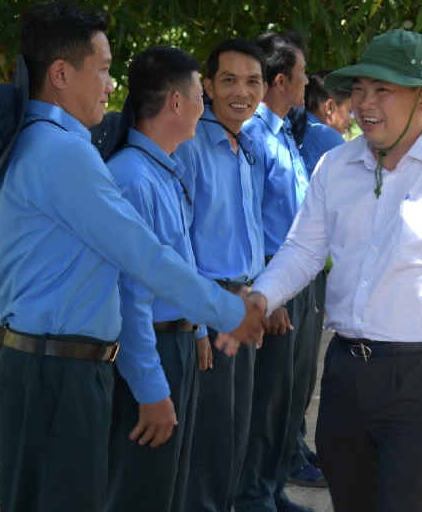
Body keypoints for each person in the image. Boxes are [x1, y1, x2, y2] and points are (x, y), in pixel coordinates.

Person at [0, 0, 266, 512]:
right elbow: (143, 257)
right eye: (105, 70)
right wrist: (228, 311)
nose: (113, 87)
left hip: (49, 363)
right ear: (62, 74)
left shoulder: (39, 140)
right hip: (57, 372)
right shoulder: (63, 151)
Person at [249, 29, 422, 512]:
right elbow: (303, 251)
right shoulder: (335, 165)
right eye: (359, 89)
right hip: (346, 372)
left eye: (383, 90)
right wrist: (260, 296)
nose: (365, 103)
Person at [104, 46, 208, 511]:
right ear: (176, 103)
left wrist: (199, 327)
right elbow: (129, 296)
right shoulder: (130, 177)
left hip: (178, 344)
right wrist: (150, 387)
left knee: (169, 489)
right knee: (140, 491)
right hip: (152, 350)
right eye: (201, 96)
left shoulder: (164, 170)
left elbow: (179, 262)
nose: (205, 108)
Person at [174, 38, 269, 512]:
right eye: (228, 80)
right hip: (207, 310)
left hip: (241, 305)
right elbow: (179, 242)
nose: (241, 92)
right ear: (207, 86)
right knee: (208, 440)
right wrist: (192, 324)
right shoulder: (191, 147)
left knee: (235, 430)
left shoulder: (246, 146)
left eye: (253, 82)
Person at [237, 31, 318, 512]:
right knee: (264, 400)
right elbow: (249, 220)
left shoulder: (284, 132)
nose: (308, 84)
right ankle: (251, 497)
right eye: (303, 75)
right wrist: (269, 293)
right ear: (281, 79)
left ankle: (271, 490)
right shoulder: (252, 135)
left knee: (289, 397)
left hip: (299, 279)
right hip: (273, 281)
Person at [282, 68, 352, 489]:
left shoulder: (293, 134)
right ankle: (291, 452)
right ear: (329, 107)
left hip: (288, 267)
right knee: (297, 374)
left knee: (293, 373)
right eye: (347, 111)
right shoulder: (327, 140)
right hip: (304, 271)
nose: (350, 122)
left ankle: (296, 445)